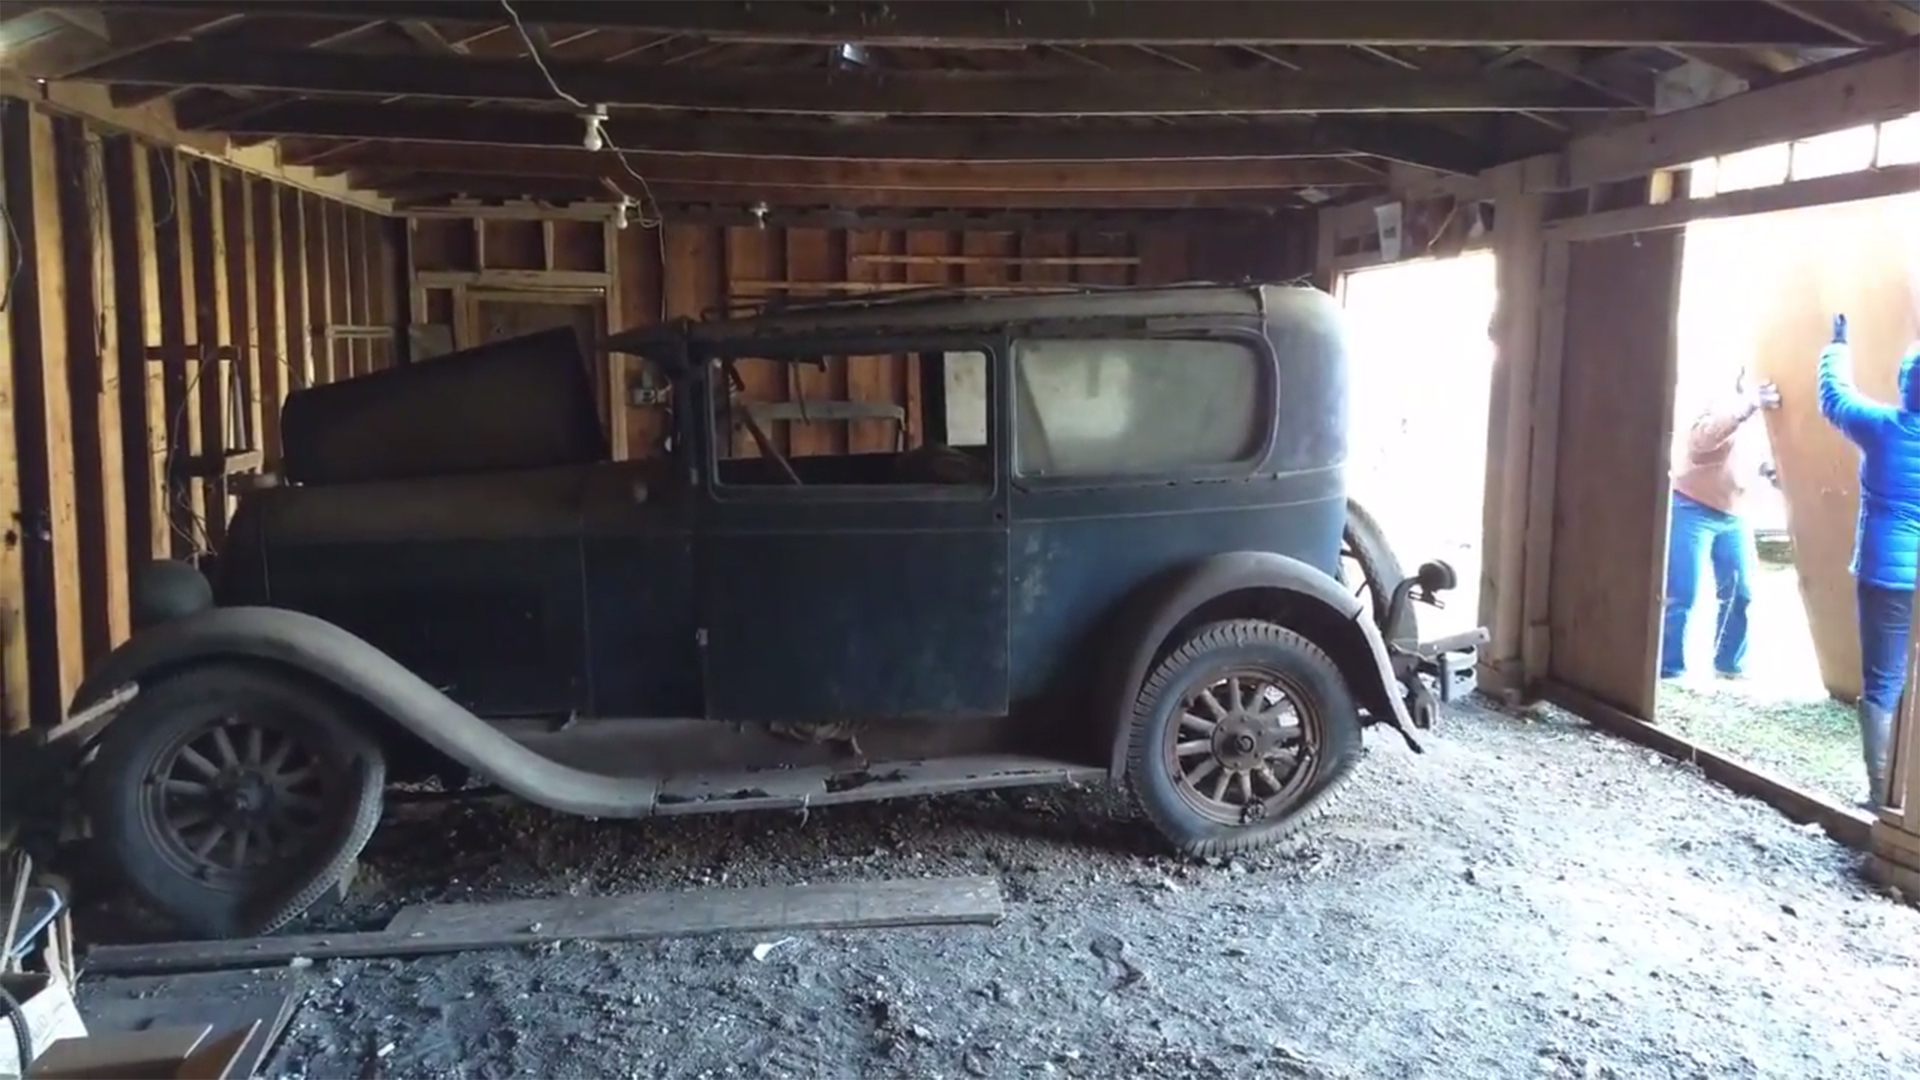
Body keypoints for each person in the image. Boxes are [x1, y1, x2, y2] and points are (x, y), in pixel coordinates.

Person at [1817, 312, 1920, 807]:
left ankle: (1884, 798)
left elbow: (1834, 397)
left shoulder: (1882, 428)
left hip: (1886, 574)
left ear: (1905, 384)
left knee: (1884, 679)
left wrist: (1838, 345)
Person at [1660, 369, 1780, 682]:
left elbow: (1755, 458)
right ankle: (1669, 669)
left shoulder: (1771, 411)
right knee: (1682, 592)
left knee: (1742, 592)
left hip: (1735, 512)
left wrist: (1770, 471)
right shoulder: (1714, 396)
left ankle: (1729, 666)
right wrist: (1746, 406)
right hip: (1691, 504)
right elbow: (1699, 444)